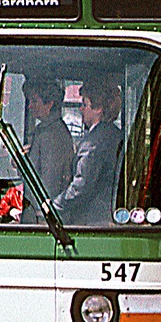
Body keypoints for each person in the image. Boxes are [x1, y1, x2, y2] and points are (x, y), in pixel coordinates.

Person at [52, 77, 123, 226]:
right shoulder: (115, 135)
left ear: (98, 109)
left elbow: (81, 186)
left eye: (85, 104)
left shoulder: (94, 142)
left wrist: (55, 205)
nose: (81, 109)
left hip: (92, 219)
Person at [22, 77, 74, 220]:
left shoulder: (52, 134)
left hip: (42, 218)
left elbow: (49, 181)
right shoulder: (43, 131)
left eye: (35, 101)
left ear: (49, 104)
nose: (30, 106)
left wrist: (43, 214)